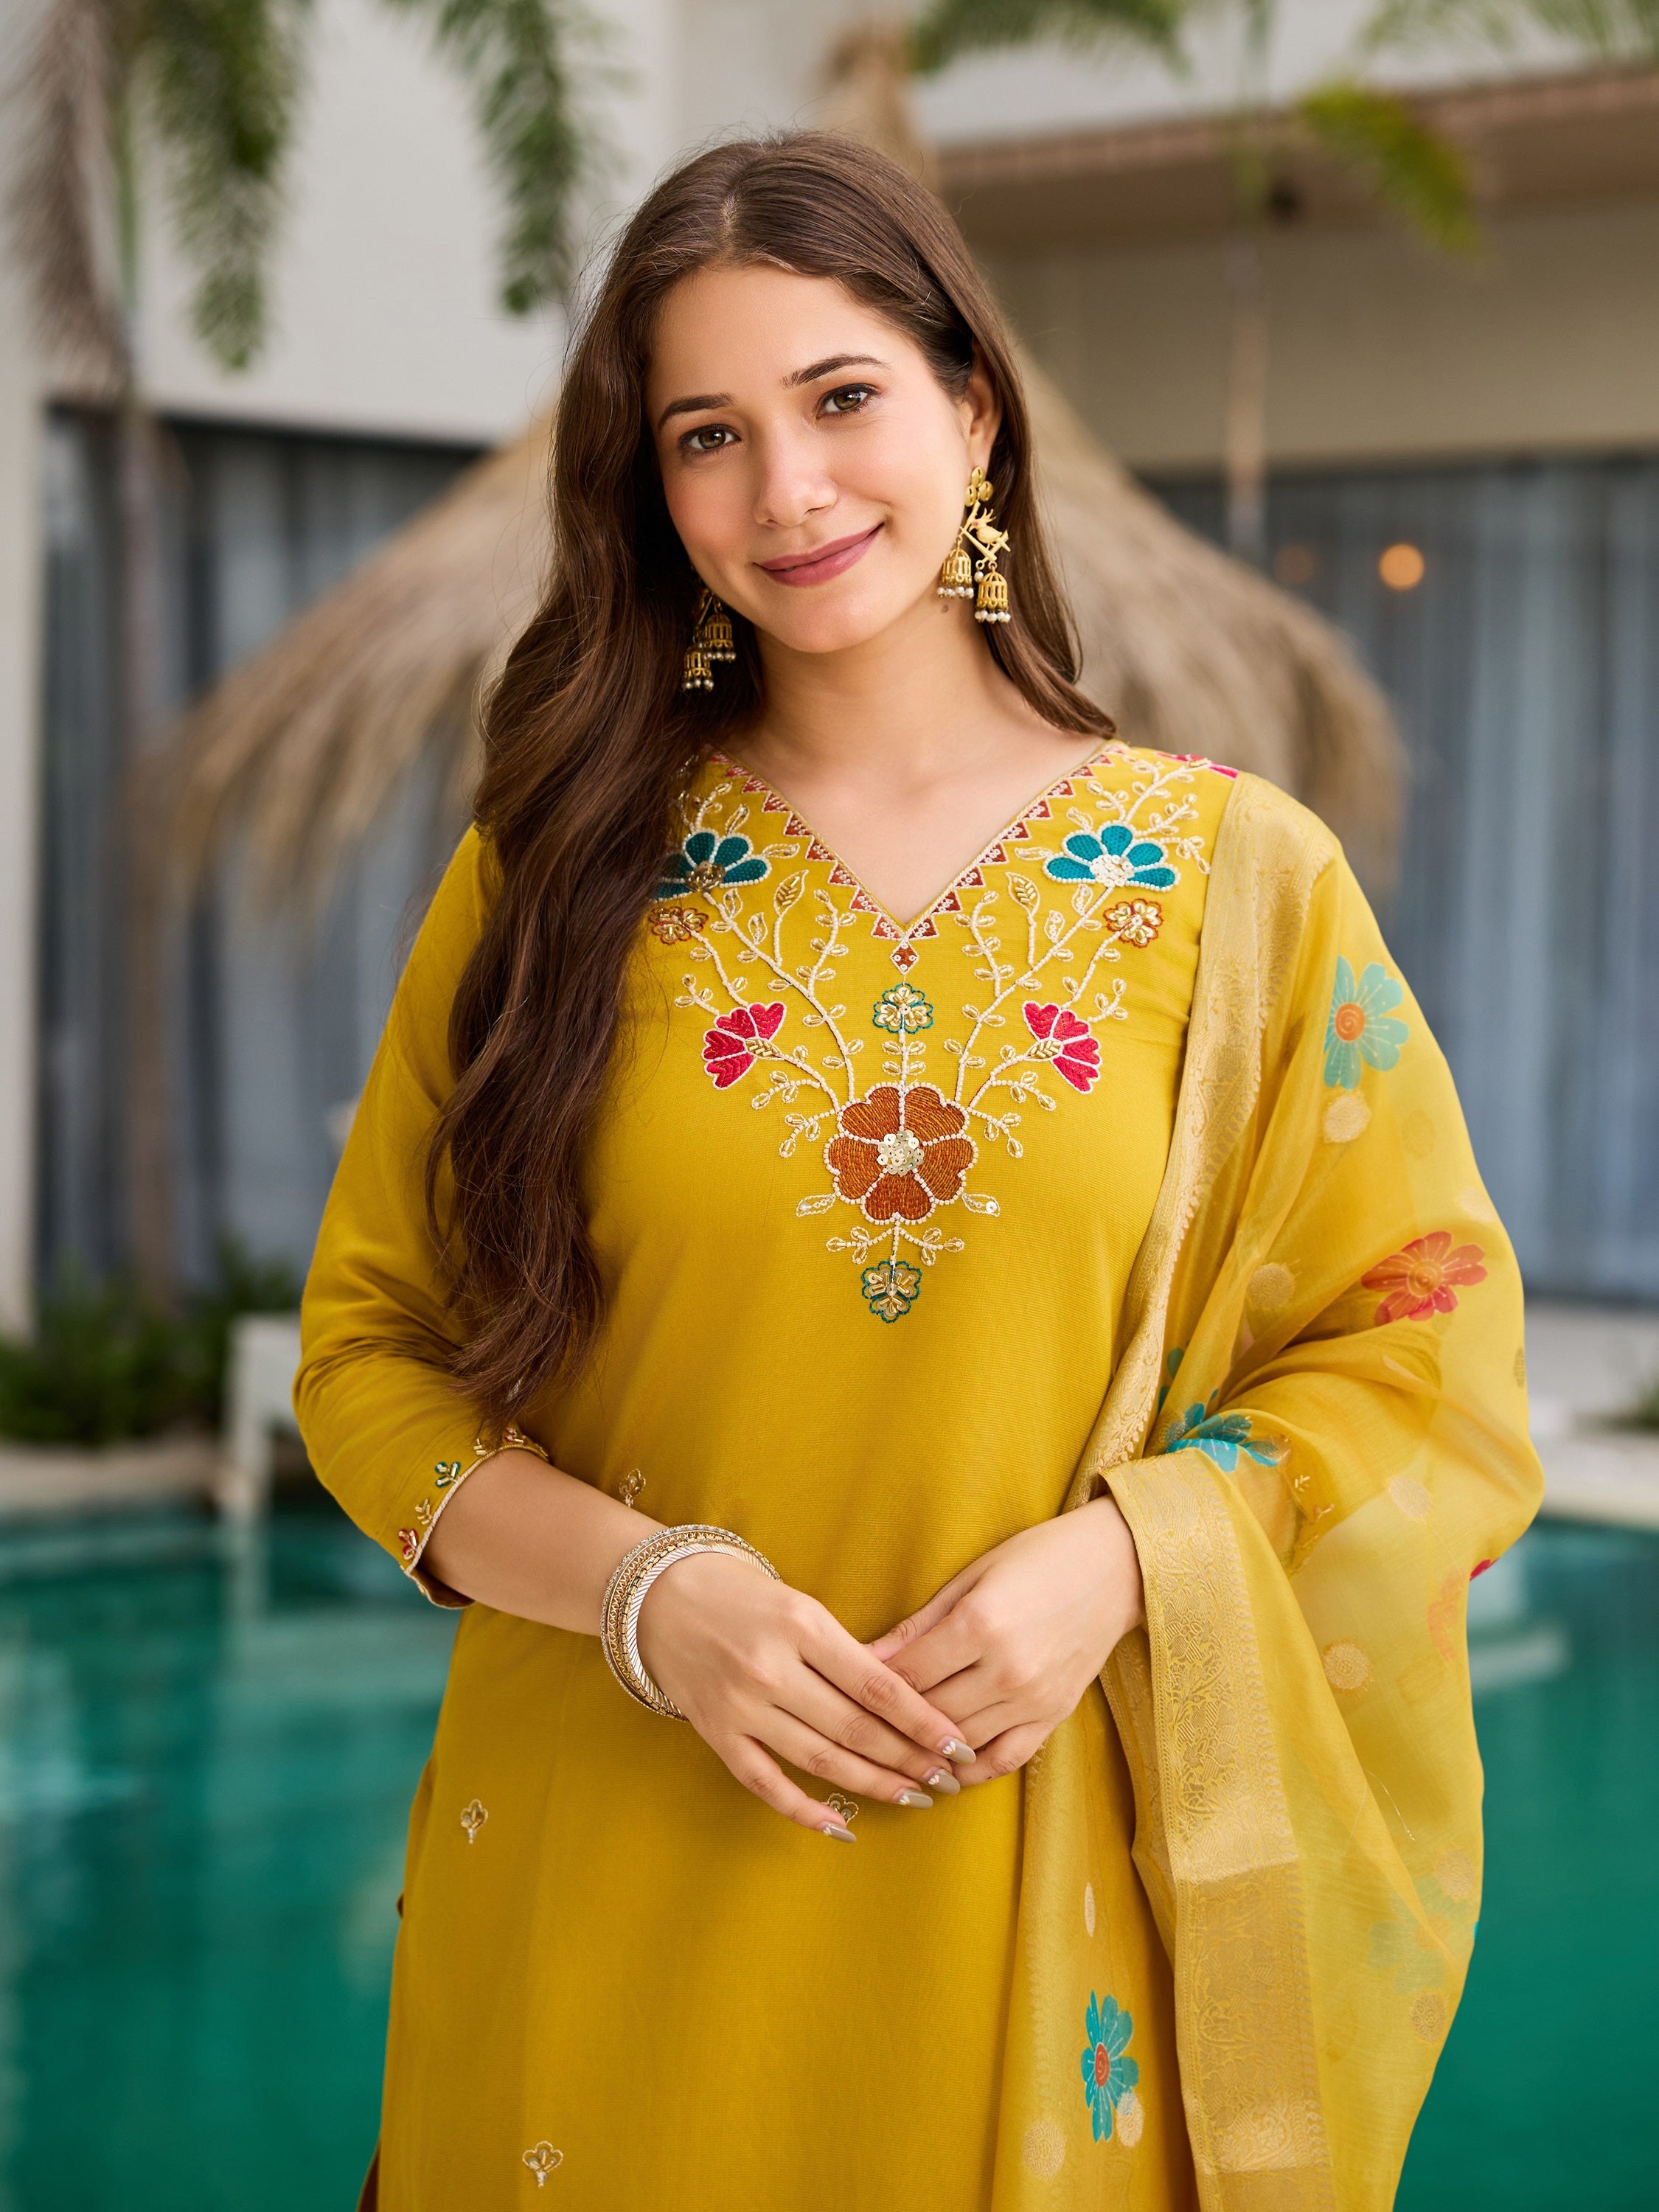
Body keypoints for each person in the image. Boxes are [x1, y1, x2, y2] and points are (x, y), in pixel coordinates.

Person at [296, 133, 1542, 2212]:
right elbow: (368, 1364)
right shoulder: (548, 878)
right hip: (613, 1858)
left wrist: (1127, 1560)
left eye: (841, 397)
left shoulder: (1239, 881)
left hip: (1045, 1902)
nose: (786, 492)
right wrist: (644, 1595)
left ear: (972, 404)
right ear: (651, 493)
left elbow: (1416, 1342)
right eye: (708, 434)